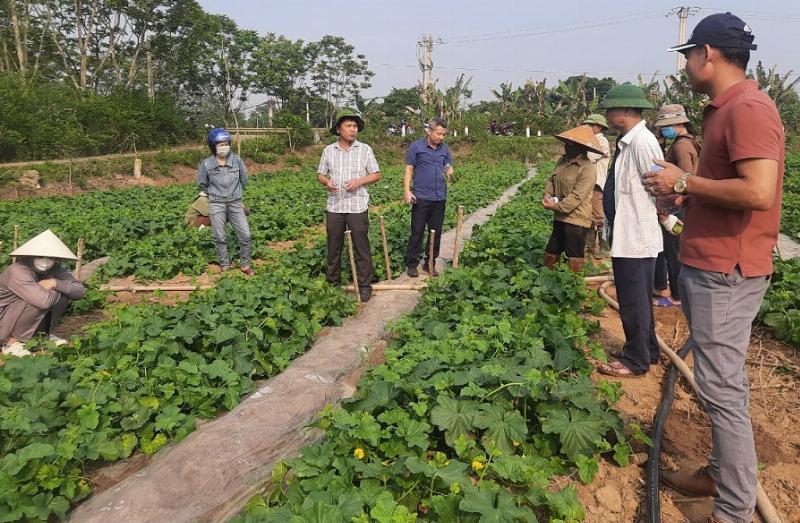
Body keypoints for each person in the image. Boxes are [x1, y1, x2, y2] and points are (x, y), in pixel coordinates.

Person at [644, 13, 783, 523]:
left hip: (727, 270)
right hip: (713, 263)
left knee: (722, 390)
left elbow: (759, 192)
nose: (685, 66)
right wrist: (681, 196)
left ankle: (732, 510)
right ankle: (720, 475)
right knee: (721, 382)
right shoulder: (723, 109)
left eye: (688, 55)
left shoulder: (747, 108)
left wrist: (685, 182)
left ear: (708, 54)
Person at [597, 83, 664, 378]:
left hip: (636, 236)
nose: (609, 117)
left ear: (624, 110)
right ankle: (647, 350)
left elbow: (661, 186)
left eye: (610, 110)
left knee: (634, 301)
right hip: (629, 234)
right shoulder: (629, 141)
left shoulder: (642, 143)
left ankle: (636, 360)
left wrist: (663, 215)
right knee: (636, 299)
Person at [317, 108, 382, 302]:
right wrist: (327, 183)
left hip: (357, 206)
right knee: (333, 247)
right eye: (348, 126)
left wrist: (360, 181)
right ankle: (333, 283)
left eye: (355, 126)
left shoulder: (365, 149)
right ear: (339, 129)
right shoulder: (329, 150)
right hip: (335, 206)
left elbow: (377, 174)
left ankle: (364, 285)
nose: (353, 129)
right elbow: (320, 174)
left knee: (361, 246)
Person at [1, 230, 85, 357]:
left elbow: (79, 291)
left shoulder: (55, 269)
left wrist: (55, 283)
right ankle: (11, 343)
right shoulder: (17, 271)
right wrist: (59, 291)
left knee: (63, 291)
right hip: (4, 319)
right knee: (41, 299)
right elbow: (43, 301)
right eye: (40, 256)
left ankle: (42, 336)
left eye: (50, 257)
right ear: (30, 256)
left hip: (19, 317)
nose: (45, 261)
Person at [652, 103, 701, 307]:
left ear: (679, 123)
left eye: (666, 126)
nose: (664, 129)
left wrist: (667, 209)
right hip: (681, 204)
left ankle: (678, 296)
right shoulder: (689, 142)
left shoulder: (681, 146)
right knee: (672, 247)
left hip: (678, 205)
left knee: (673, 249)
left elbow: (684, 179)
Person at [542, 124, 603, 272]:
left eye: (570, 144)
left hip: (576, 218)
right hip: (559, 216)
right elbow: (551, 179)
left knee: (574, 253)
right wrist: (548, 195)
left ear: (580, 147)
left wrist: (555, 206)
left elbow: (577, 196)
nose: (566, 147)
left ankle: (573, 284)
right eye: (566, 144)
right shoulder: (562, 161)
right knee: (552, 248)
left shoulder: (587, 168)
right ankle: (547, 279)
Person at [198, 128, 253, 275]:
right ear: (213, 146)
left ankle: (245, 264)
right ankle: (224, 265)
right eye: (220, 144)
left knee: (246, 235)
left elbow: (244, 179)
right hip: (216, 204)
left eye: (226, 143)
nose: (224, 147)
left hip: (235, 202)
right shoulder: (206, 164)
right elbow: (203, 184)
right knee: (220, 236)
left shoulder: (237, 160)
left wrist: (235, 193)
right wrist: (216, 195)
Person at [404, 117, 454, 277]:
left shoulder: (445, 149)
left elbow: (447, 165)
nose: (441, 137)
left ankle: (429, 263)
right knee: (417, 231)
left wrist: (449, 171)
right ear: (429, 131)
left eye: (444, 134)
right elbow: (409, 170)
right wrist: (407, 191)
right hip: (421, 197)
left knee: (436, 232)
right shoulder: (416, 147)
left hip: (439, 197)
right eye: (439, 133)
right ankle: (412, 264)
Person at [581, 114, 611, 255]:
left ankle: (604, 248)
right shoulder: (590, 140)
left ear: (598, 127)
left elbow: (589, 158)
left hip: (597, 183)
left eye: (590, 125)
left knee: (598, 215)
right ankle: (590, 247)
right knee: (589, 214)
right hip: (589, 183)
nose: (587, 128)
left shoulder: (601, 141)